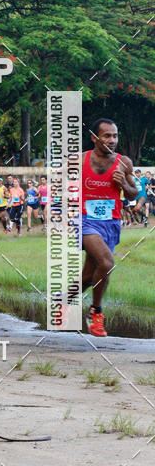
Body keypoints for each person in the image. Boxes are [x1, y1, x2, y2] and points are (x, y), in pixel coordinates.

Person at [81, 118, 138, 337]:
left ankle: (63, 300)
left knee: (91, 274)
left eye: (115, 136)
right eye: (107, 136)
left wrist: (123, 183)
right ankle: (96, 312)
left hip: (110, 223)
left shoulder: (124, 163)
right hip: (85, 220)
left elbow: (133, 193)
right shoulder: (79, 160)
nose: (112, 140)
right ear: (94, 138)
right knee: (106, 262)